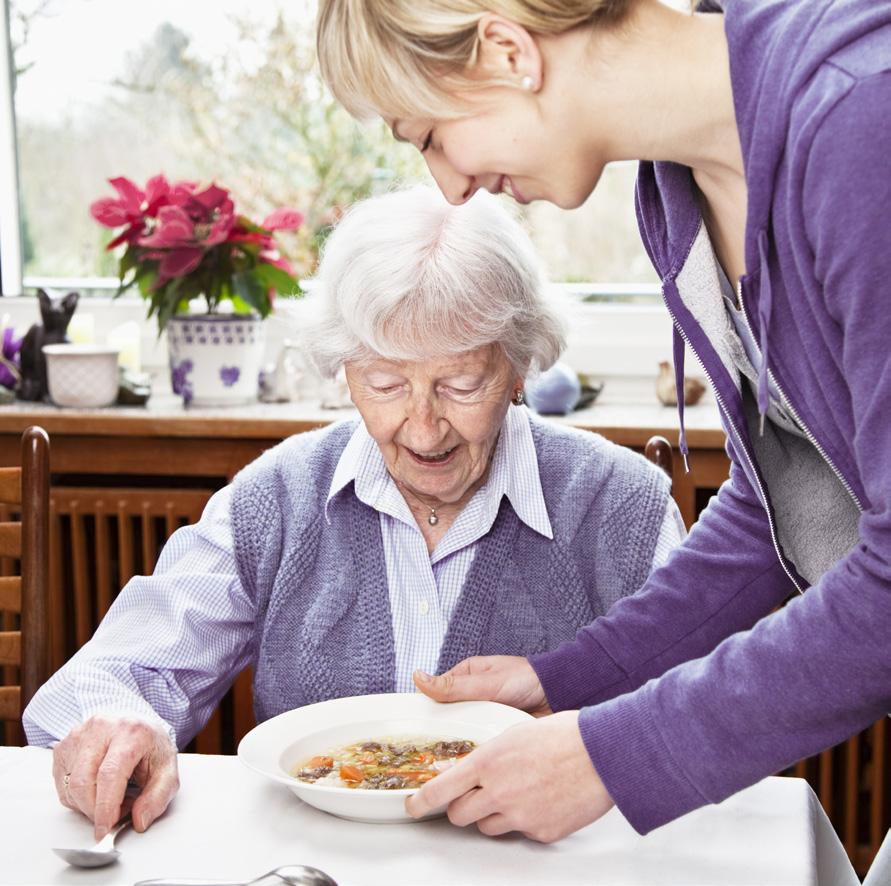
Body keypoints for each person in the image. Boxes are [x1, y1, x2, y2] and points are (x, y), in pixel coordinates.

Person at [316, 0, 891, 843]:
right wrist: (567, 681)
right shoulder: (677, 191)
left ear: (508, 51)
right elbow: (781, 505)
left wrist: (610, 754)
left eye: (427, 136)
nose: (448, 185)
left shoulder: (858, 121)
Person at [23, 185, 683, 840]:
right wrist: (118, 723)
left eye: (461, 385)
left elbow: (700, 712)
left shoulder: (623, 506)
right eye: (386, 384)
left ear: (518, 368)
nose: (423, 431)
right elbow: (116, 674)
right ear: (344, 371)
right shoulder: (276, 499)